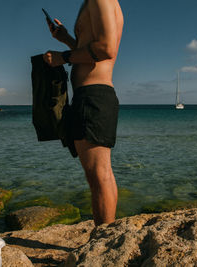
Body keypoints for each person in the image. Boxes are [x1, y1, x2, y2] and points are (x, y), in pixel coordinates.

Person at [43, 0, 123, 226]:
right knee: (99, 174)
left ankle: (103, 241)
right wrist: (66, 39)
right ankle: (106, 237)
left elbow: (106, 48)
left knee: (99, 174)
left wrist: (64, 57)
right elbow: (90, 45)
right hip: (88, 95)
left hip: (94, 95)